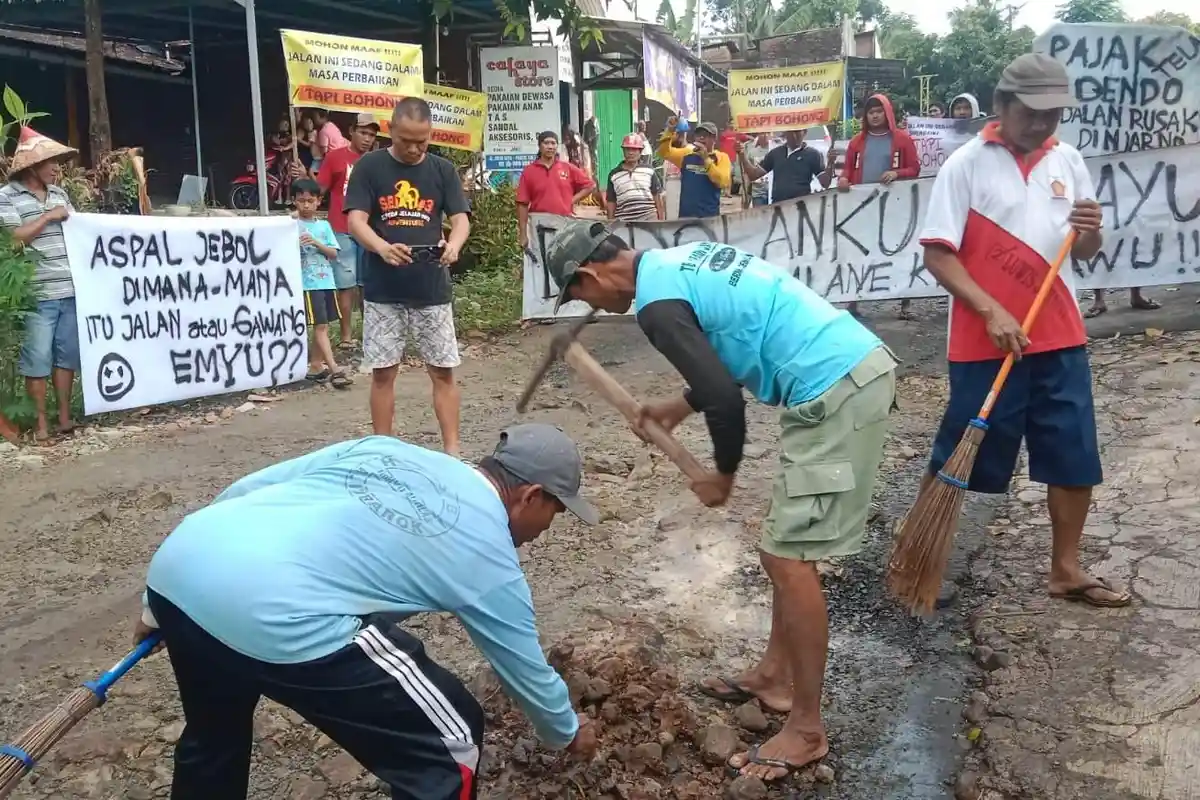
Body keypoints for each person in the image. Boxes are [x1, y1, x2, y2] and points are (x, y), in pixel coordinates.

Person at [542, 219, 898, 782]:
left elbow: (727, 408)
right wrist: (680, 406)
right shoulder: (682, 261)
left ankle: (806, 728)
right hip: (839, 375)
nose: (587, 304)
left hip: (836, 389)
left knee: (789, 558)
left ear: (588, 273)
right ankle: (775, 679)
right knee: (782, 551)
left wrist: (721, 478)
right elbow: (732, 348)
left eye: (576, 292)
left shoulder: (656, 309)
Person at [131, 423, 601, 800]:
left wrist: (157, 607)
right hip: (275, 610)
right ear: (531, 496)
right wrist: (567, 731)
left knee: (214, 737)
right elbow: (521, 664)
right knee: (452, 739)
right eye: (556, 512)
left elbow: (250, 489)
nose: (547, 529)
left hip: (181, 570)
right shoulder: (489, 553)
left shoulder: (386, 449)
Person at [918, 53, 1127, 608]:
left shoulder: (1069, 161)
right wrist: (990, 310)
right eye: (1031, 113)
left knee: (1073, 451)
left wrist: (1089, 232)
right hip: (982, 341)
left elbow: (1083, 251)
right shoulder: (966, 164)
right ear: (1000, 106)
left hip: (1058, 334)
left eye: (1053, 115)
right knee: (959, 454)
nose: (1041, 125)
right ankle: (920, 558)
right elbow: (939, 255)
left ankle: (1066, 569)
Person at [345, 98, 470, 453]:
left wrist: (455, 245)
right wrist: (381, 247)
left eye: (423, 141)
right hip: (383, 289)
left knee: (443, 371)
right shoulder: (369, 167)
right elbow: (356, 221)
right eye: (406, 141)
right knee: (383, 372)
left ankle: (452, 452)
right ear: (391, 131)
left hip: (431, 286)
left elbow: (460, 219)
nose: (415, 149)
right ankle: (384, 449)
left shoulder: (442, 170)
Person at [0, 127, 79, 442]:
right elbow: (13, 239)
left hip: (70, 290)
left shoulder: (61, 194)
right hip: (37, 293)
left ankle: (63, 418)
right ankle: (42, 425)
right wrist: (48, 217)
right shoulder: (7, 196)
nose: (56, 167)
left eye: (58, 161)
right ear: (32, 166)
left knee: (66, 357)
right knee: (37, 359)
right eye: (50, 162)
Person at [839, 94, 920, 321]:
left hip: (894, 207)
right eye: (870, 112)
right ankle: (854, 300)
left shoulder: (902, 140)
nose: (874, 116)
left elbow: (914, 168)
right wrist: (844, 180)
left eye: (878, 111)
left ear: (887, 112)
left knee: (900, 251)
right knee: (859, 251)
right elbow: (846, 170)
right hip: (863, 207)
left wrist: (897, 173)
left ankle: (905, 302)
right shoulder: (857, 142)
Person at [317, 113, 380, 349]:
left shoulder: (377, 161)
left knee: (369, 284)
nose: (367, 138)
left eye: (372, 135)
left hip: (370, 230)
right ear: (352, 131)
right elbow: (319, 190)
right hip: (341, 228)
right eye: (363, 133)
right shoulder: (335, 157)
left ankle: (370, 334)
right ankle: (346, 337)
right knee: (346, 285)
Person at [291, 178, 352, 389]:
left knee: (323, 324)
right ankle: (334, 367)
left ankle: (316, 365)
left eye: (310, 200)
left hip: (326, 281)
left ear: (318, 201)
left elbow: (334, 253)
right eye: (301, 201)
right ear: (294, 202)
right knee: (321, 325)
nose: (306, 205)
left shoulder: (324, 226)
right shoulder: (291, 225)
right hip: (307, 283)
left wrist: (316, 243)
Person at [515, 131, 594, 250]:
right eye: (546, 143)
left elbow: (590, 185)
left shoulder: (567, 168)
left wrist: (571, 201)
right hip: (538, 223)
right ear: (539, 146)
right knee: (540, 261)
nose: (550, 147)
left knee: (563, 259)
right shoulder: (529, 171)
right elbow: (522, 204)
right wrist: (523, 234)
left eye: (553, 143)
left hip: (563, 221)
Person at [657, 118, 732, 218]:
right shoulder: (687, 154)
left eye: (705, 135)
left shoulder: (721, 157)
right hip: (686, 217)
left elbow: (722, 181)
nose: (701, 138)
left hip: (709, 217)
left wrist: (706, 158)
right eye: (698, 135)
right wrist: (669, 131)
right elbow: (664, 152)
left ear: (714, 139)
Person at [737, 129, 833, 205]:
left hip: (801, 208)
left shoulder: (813, 154)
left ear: (805, 133)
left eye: (798, 132)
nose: (794, 136)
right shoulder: (775, 153)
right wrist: (741, 155)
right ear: (785, 133)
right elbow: (754, 175)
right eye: (791, 133)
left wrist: (830, 164)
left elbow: (825, 183)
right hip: (778, 206)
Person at [605, 134, 665, 222]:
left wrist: (661, 222)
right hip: (624, 222)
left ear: (640, 151)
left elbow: (657, 197)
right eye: (627, 149)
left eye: (634, 149)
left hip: (649, 220)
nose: (630, 152)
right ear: (623, 151)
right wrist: (610, 223)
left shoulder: (649, 171)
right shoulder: (614, 175)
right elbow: (611, 202)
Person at [309, 109, 348, 177]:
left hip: (334, 161)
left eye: (315, 117)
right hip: (342, 157)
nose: (314, 120)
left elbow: (324, 153)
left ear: (322, 117)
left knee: (311, 172)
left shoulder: (323, 131)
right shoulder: (331, 125)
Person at [741, 133, 773, 208]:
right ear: (758, 135)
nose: (765, 136)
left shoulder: (774, 150)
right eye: (763, 133)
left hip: (771, 192)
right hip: (758, 193)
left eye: (768, 133)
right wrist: (745, 194)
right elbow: (747, 174)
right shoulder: (752, 152)